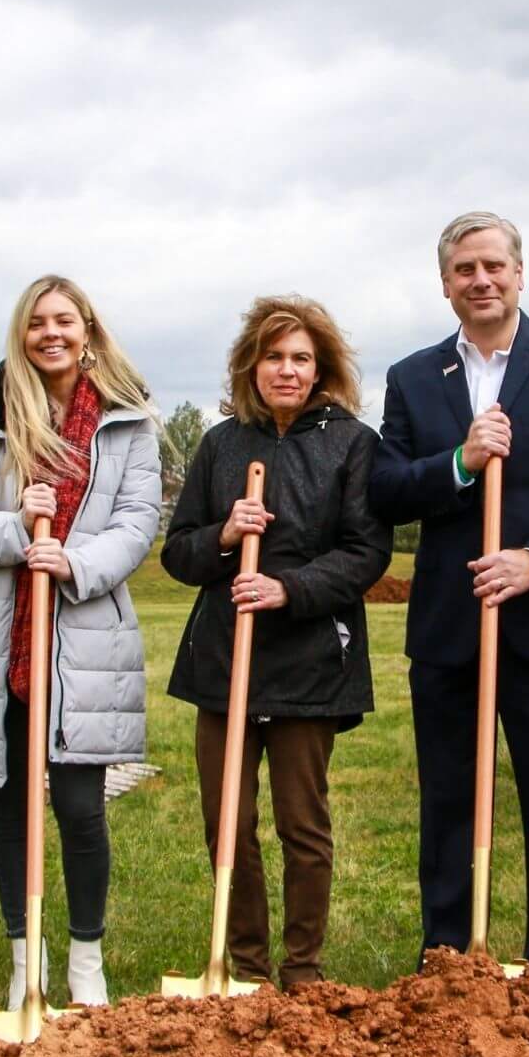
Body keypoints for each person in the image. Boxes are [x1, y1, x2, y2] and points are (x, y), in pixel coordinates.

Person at [370, 212, 529, 976]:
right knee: (448, 796)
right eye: (464, 270)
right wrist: (460, 460)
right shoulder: (414, 378)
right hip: (451, 624)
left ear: (519, 273)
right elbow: (387, 487)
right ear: (445, 284)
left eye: (493, 266)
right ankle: (448, 956)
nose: (480, 280)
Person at [0, 276, 161, 1009]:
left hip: (84, 635)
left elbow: (137, 520)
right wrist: (14, 526)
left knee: (81, 808)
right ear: (21, 335)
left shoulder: (126, 419)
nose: (50, 334)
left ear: (87, 330)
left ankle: (86, 962)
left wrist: (74, 562)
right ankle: (23, 959)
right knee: (8, 804)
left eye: (64, 320)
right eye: (36, 323)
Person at [163, 296, 391, 988]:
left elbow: (365, 552)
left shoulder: (352, 443)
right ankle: (247, 968)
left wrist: (289, 589)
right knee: (226, 823)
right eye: (273, 357)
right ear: (251, 366)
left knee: (302, 822)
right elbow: (179, 553)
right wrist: (226, 535)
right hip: (223, 659)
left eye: (300, 358)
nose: (286, 370)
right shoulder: (222, 444)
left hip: (309, 661)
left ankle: (302, 969)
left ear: (320, 369)